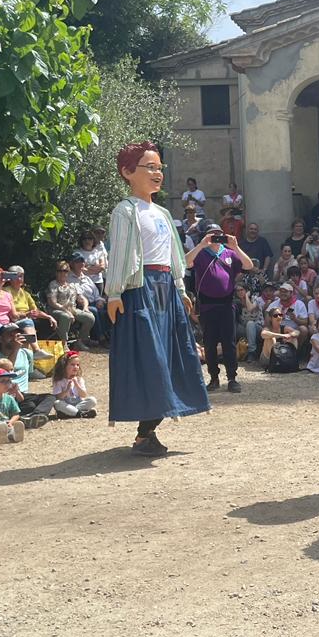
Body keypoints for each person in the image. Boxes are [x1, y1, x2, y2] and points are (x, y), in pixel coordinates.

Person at [106, 141, 210, 456]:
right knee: (152, 359)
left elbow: (174, 255)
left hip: (165, 287)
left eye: (160, 168)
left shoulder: (163, 212)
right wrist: (113, 292)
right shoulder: (125, 211)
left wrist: (180, 289)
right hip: (140, 289)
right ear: (127, 172)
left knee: (172, 356)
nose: (157, 173)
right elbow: (120, 254)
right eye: (149, 167)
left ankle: (146, 431)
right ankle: (144, 432)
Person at [186, 222, 254, 393]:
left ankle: (232, 378)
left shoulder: (230, 253)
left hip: (226, 304)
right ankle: (214, 378)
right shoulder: (201, 254)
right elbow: (185, 262)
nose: (216, 237)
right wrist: (202, 244)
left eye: (219, 233)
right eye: (212, 234)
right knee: (209, 343)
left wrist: (236, 247)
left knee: (229, 343)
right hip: (207, 305)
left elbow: (248, 266)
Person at [0, 325, 53, 423]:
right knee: (30, 406)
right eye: (10, 335)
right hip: (2, 396)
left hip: (21, 394)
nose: (14, 338)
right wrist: (15, 350)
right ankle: (22, 417)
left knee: (49, 397)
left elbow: (28, 375)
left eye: (17, 335)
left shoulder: (27, 353)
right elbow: (5, 373)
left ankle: (35, 416)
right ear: (1, 339)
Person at [47, 261, 96, 348]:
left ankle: (80, 341)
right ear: (56, 272)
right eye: (60, 271)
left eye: (65, 271)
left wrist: (85, 307)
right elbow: (52, 302)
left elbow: (82, 298)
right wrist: (67, 311)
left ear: (68, 272)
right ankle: (64, 344)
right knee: (66, 316)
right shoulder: (53, 284)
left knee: (90, 317)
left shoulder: (72, 286)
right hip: (56, 310)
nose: (62, 273)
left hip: (72, 310)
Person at [68, 252, 108, 345]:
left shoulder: (87, 278)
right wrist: (86, 305)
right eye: (78, 261)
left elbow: (96, 294)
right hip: (79, 305)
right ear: (72, 264)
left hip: (93, 302)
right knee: (93, 310)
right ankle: (100, 338)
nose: (81, 263)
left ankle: (108, 335)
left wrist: (99, 301)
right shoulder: (69, 279)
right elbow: (78, 297)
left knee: (105, 308)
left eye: (82, 261)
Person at [51, 351, 98, 418]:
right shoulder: (59, 381)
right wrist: (67, 390)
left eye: (77, 365)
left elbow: (83, 395)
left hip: (78, 403)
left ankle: (70, 413)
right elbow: (58, 397)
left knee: (92, 400)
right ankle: (81, 413)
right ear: (64, 366)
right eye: (72, 365)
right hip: (65, 404)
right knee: (57, 403)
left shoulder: (79, 379)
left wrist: (76, 384)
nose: (75, 367)